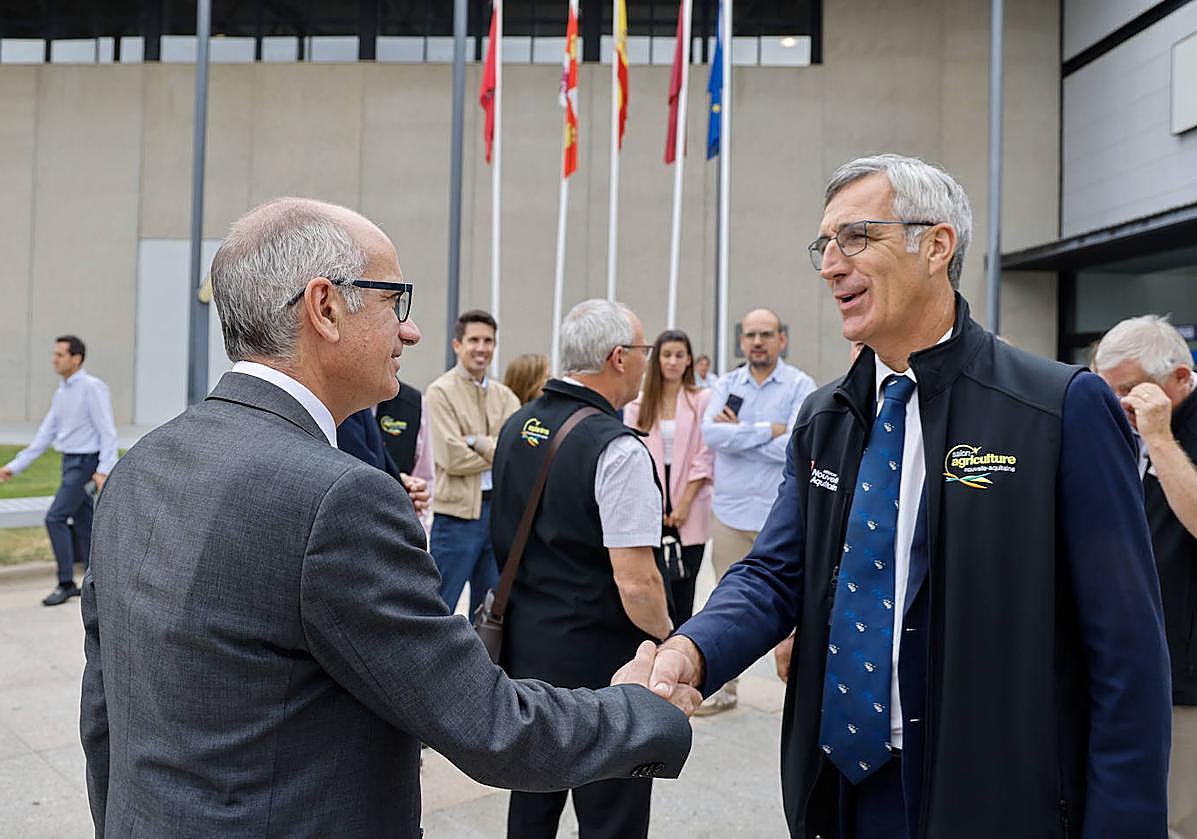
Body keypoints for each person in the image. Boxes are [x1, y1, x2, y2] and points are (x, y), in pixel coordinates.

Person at [79, 199, 698, 837]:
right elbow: (485, 724)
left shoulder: (142, 464)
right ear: (324, 308)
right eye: (393, 299)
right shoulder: (339, 498)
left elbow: (104, 711)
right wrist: (642, 711)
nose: (411, 331)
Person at [637, 154, 1171, 837]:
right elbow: (776, 571)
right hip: (842, 794)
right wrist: (693, 649)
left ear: (935, 246)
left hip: (992, 801)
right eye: (823, 245)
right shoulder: (825, 416)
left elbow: (1125, 654)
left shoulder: (1058, 409)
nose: (830, 264)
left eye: (855, 237)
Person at [492, 299, 674, 839]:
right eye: (644, 351)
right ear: (619, 358)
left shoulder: (518, 422)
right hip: (601, 667)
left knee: (531, 806)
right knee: (611, 815)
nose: (648, 362)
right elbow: (637, 579)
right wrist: (669, 639)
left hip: (526, 651)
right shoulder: (616, 449)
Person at [1095, 314, 1197, 839]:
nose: (1120, 404)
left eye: (1131, 389)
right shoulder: (1112, 428)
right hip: (1125, 662)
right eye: (1107, 390)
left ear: (1181, 379)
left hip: (1185, 673)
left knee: (1179, 818)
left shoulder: (1164, 432)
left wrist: (1158, 436)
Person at [697, 308, 816, 713]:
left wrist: (739, 433)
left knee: (797, 607)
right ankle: (724, 691)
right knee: (726, 603)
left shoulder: (801, 385)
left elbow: (797, 446)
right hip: (730, 514)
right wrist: (770, 428)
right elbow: (711, 435)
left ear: (782, 338)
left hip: (778, 518)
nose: (758, 342)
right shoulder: (727, 384)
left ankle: (799, 694)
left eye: (766, 334)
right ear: (741, 340)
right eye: (750, 335)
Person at [0, 335, 117, 606]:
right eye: (54, 354)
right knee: (86, 523)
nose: (54, 359)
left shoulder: (92, 387)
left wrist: (104, 468)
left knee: (55, 518)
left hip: (85, 463)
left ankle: (66, 583)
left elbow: (107, 431)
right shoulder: (62, 391)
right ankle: (96, 583)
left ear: (76, 359)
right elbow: (45, 434)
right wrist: (14, 468)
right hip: (69, 462)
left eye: (60, 355)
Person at [426, 310, 521, 615]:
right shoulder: (440, 392)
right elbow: (450, 457)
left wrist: (475, 441)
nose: (482, 347)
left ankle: (480, 665)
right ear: (457, 344)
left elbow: (515, 453)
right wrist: (497, 450)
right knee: (438, 605)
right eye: (474, 340)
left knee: (491, 611)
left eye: (488, 341)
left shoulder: (506, 396)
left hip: (497, 514)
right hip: (456, 517)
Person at [624, 329, 714, 624]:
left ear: (689, 360)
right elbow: (634, 454)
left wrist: (684, 504)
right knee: (656, 587)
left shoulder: (701, 400)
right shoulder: (638, 405)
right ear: (657, 359)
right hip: (650, 497)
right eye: (666, 355)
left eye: (679, 355)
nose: (673, 362)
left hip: (690, 499)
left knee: (685, 587)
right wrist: (656, 504)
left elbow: (705, 453)